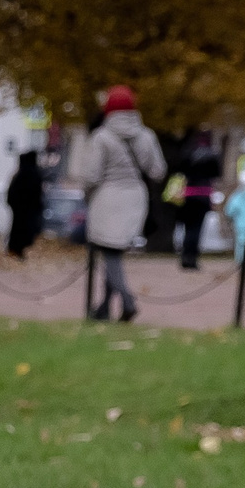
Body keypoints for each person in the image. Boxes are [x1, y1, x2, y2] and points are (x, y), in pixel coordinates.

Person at [78, 87, 164, 322]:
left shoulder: (102, 137)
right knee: (114, 250)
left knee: (109, 251)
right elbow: (158, 171)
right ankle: (104, 308)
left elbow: (91, 176)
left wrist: (87, 195)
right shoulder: (146, 136)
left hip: (107, 197)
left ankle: (127, 301)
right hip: (136, 196)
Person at [175, 130, 222, 269]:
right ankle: (192, 258)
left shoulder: (188, 153)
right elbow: (217, 174)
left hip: (188, 195)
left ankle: (185, 256)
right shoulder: (212, 155)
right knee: (196, 229)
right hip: (203, 195)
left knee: (188, 228)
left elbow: (181, 171)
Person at [5, 150, 44, 259]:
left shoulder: (21, 174)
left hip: (21, 211)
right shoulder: (32, 174)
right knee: (23, 232)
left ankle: (16, 251)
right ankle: (17, 251)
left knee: (19, 232)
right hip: (26, 211)